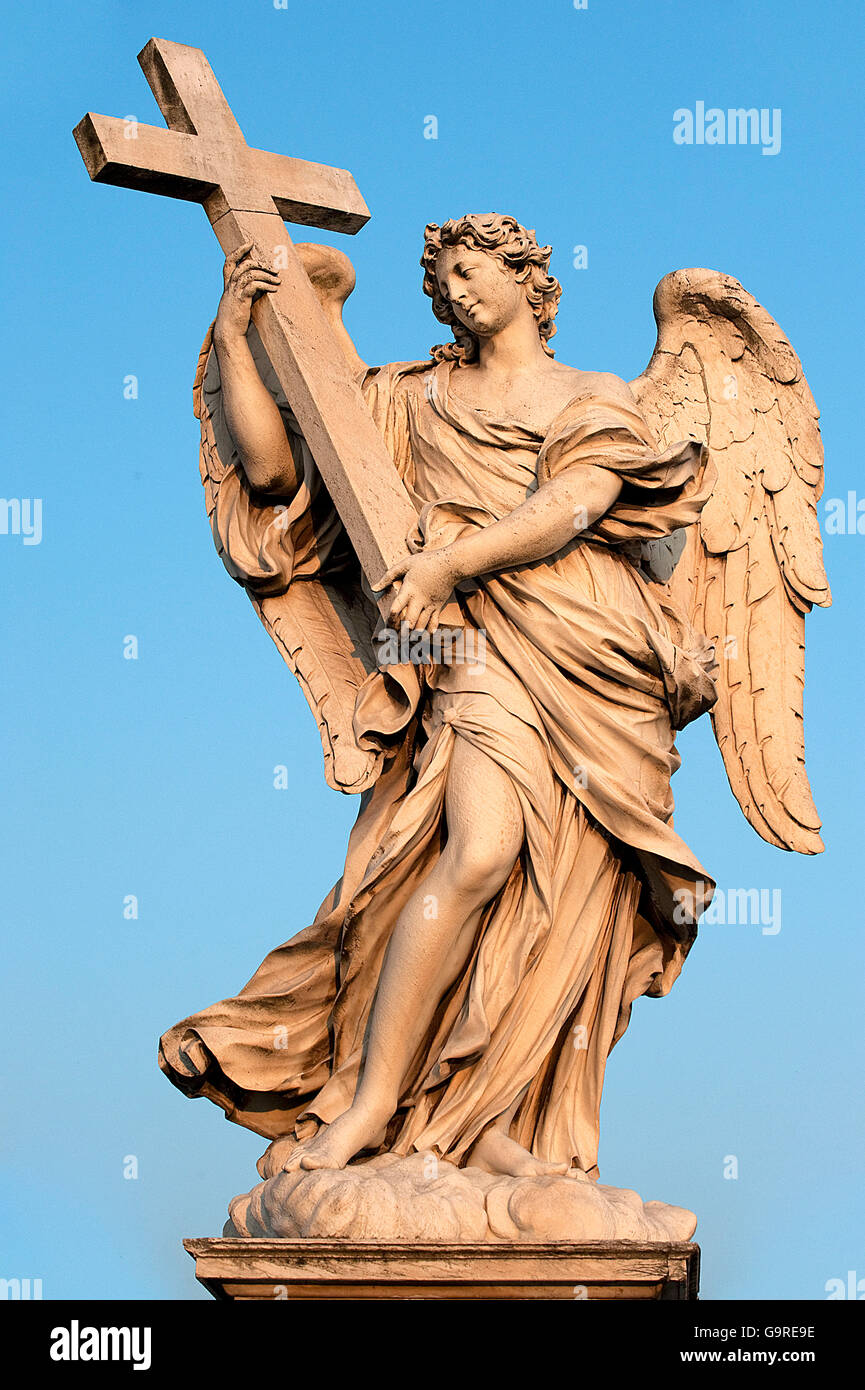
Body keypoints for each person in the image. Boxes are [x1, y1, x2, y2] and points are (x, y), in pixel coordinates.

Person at [159, 214, 718, 1181]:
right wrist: (237, 325)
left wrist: (451, 557)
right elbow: (272, 471)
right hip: (466, 643)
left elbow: (573, 505)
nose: (454, 290)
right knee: (482, 851)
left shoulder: (593, 395)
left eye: (472, 271)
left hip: (598, 654)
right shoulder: (408, 399)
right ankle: (370, 1107)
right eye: (441, 279)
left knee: (565, 893)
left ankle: (491, 1114)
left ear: (527, 279)